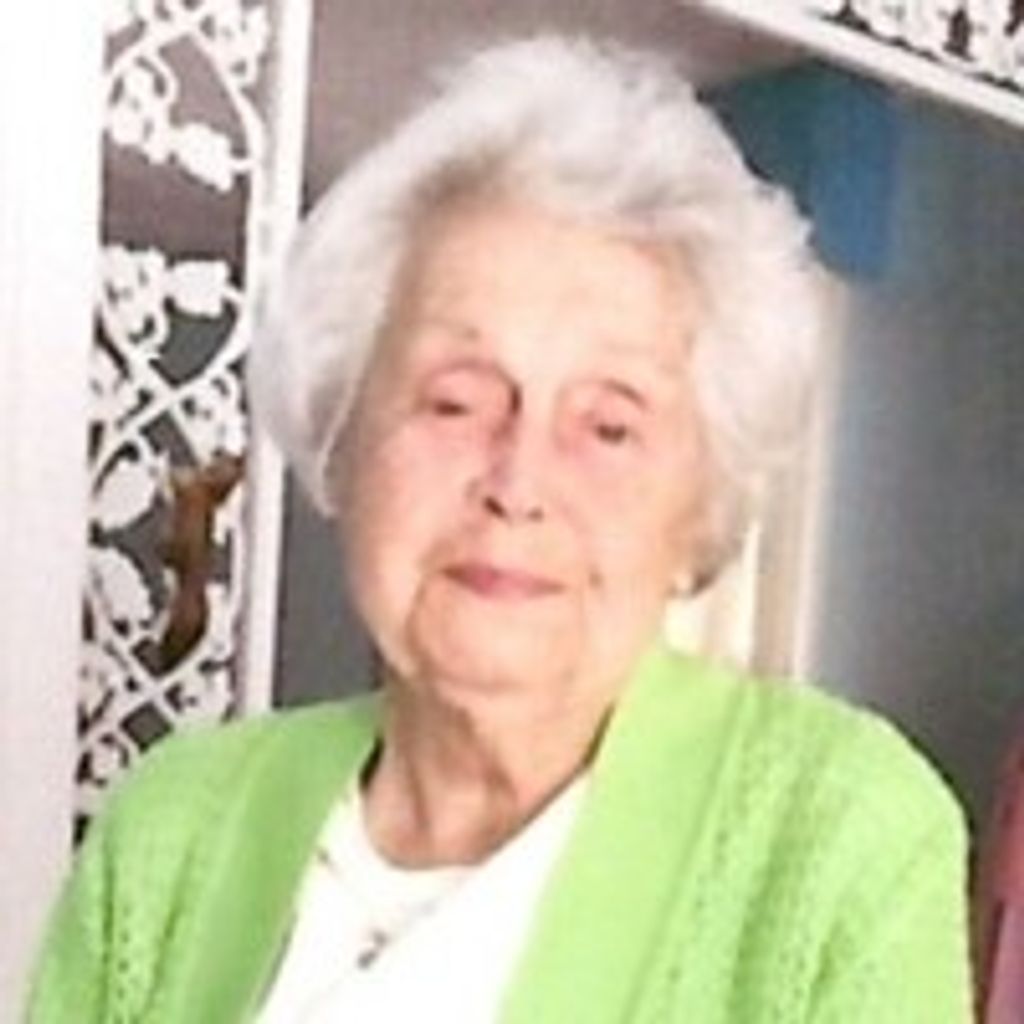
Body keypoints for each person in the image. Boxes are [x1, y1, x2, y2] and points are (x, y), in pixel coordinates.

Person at [29, 36, 972, 1022]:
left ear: (700, 502)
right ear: (342, 434)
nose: (519, 484)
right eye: (455, 400)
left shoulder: (835, 834)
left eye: (608, 425)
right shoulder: (174, 824)